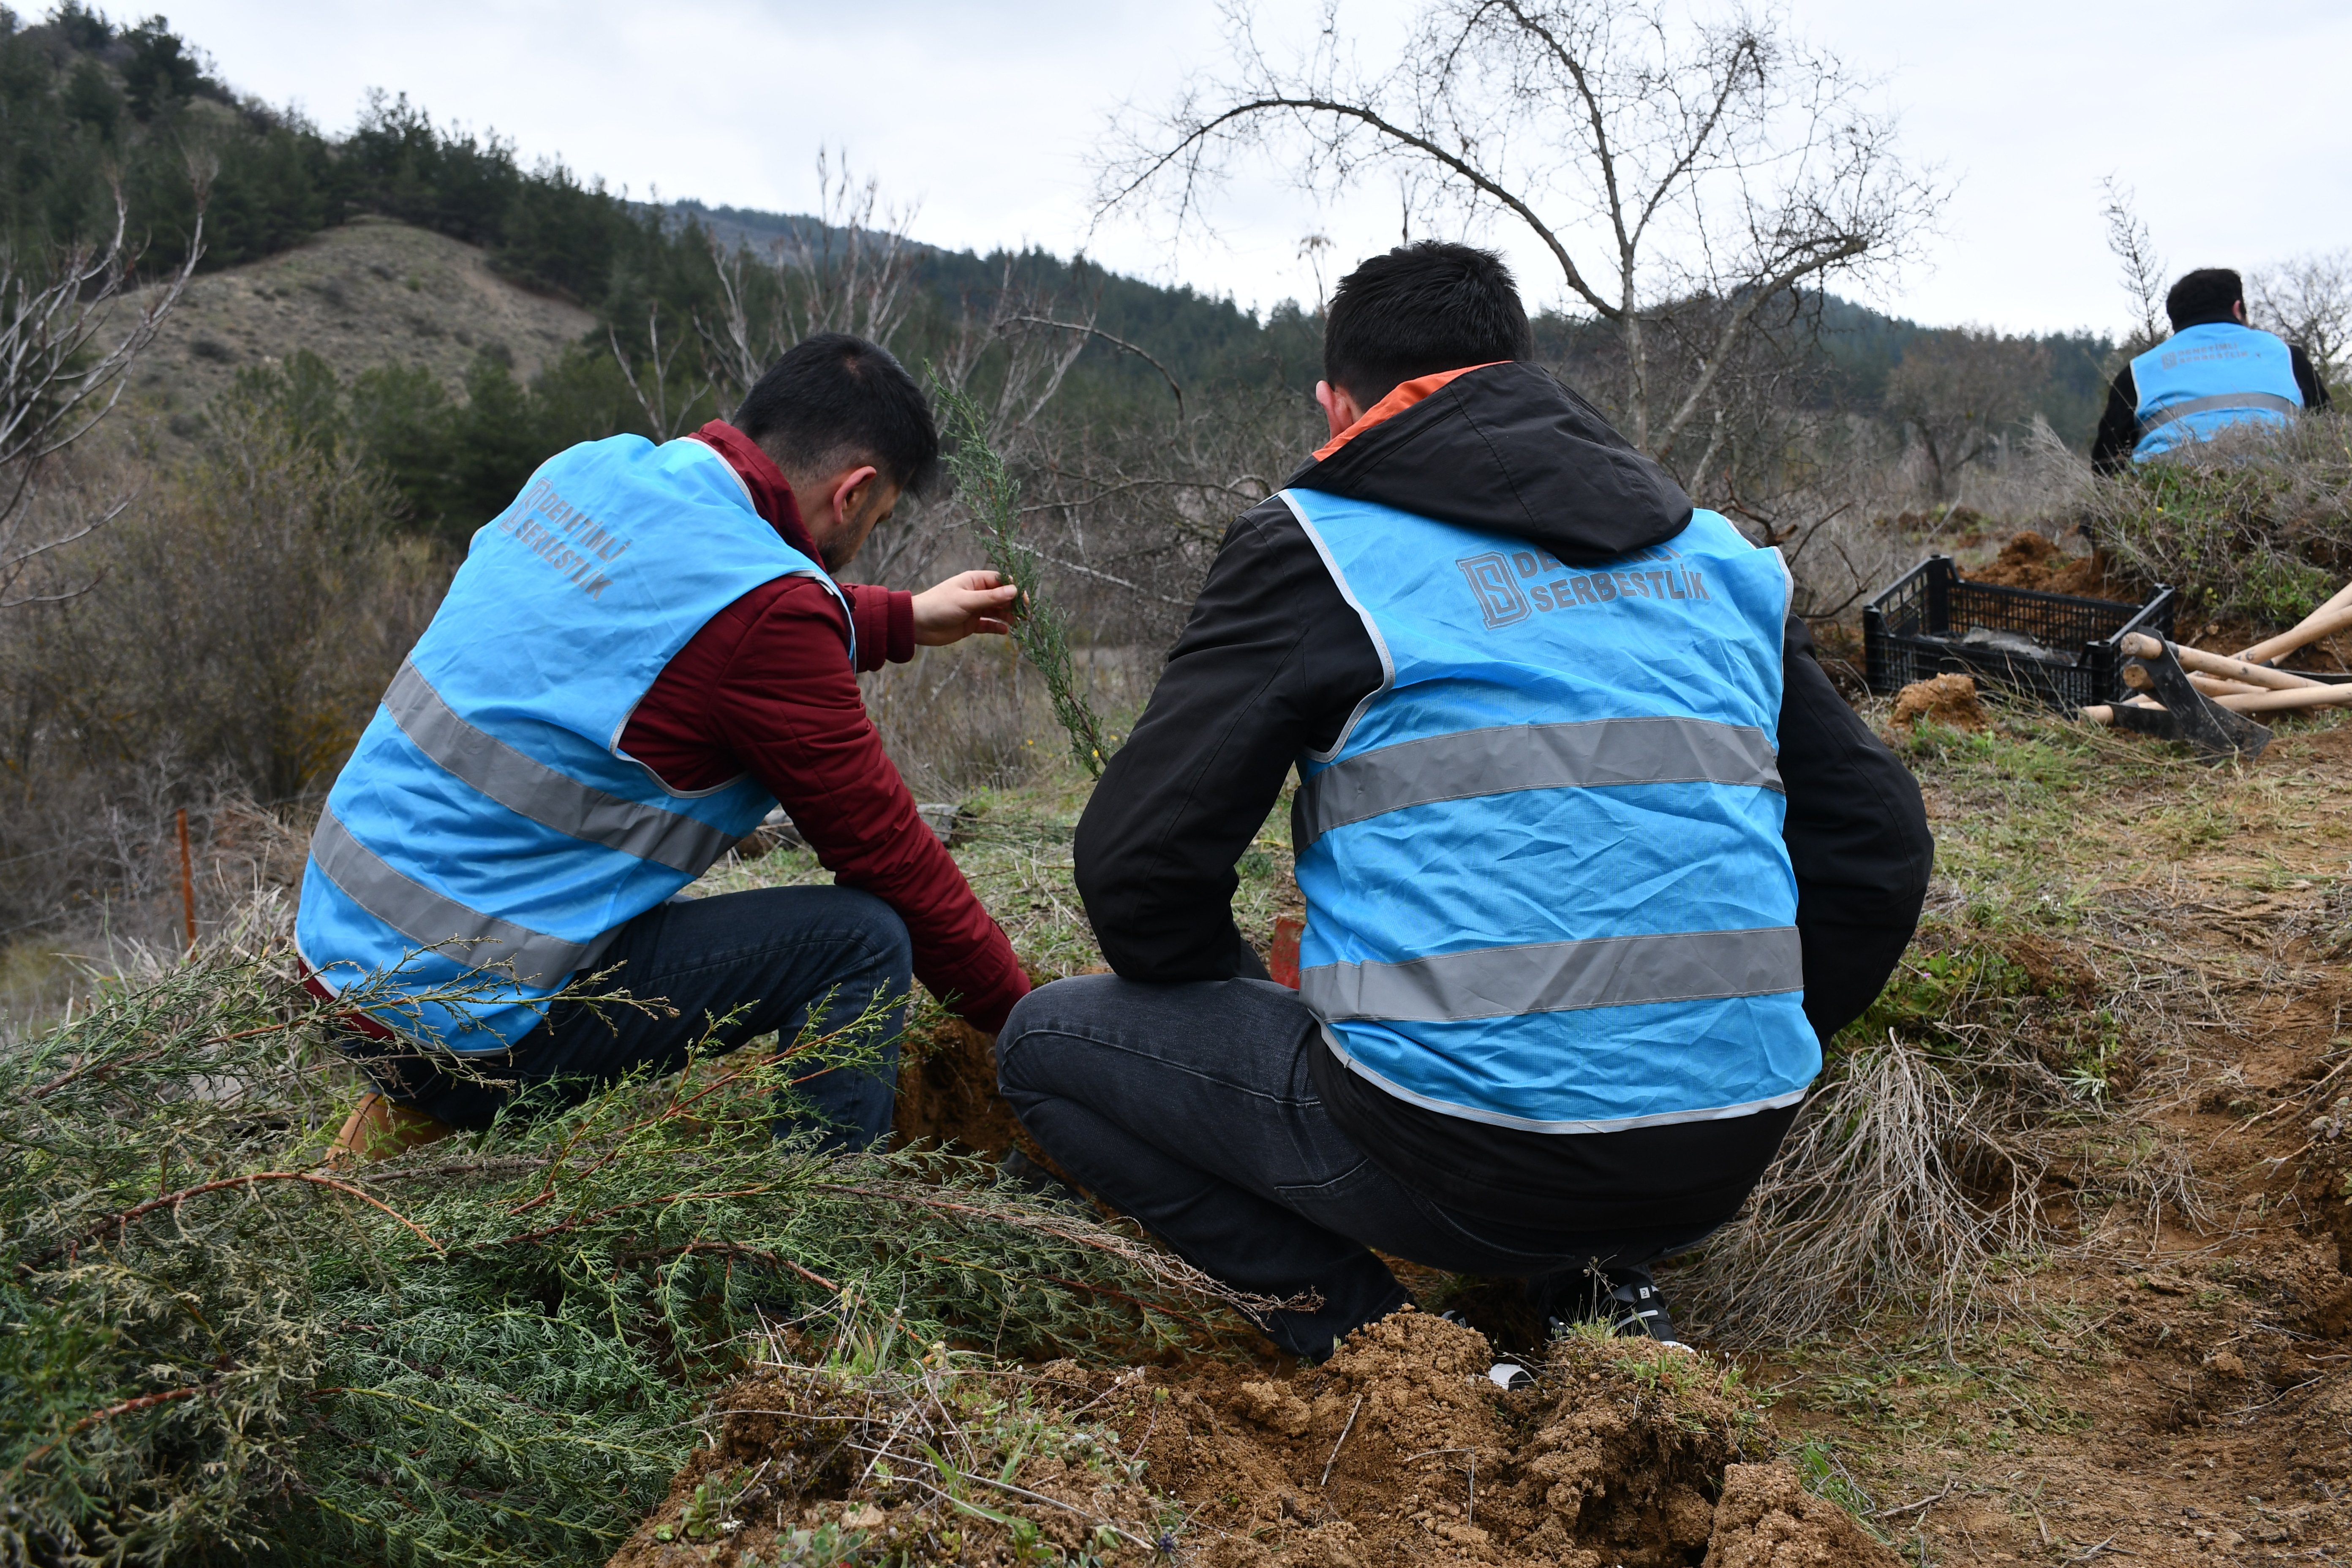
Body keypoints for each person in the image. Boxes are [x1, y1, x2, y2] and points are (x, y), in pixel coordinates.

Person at [995, 243, 1933, 1358]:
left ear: (1338, 408)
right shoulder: (1726, 560)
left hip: (1454, 1160)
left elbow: (1138, 871)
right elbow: (1878, 843)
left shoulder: (1321, 550)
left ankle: (1388, 1346)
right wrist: (1721, 1043)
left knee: (1043, 1044)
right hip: (1725, 1145)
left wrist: (1243, 1000)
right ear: (1524, 375)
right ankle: (1599, 1282)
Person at [300, 332, 1031, 1160]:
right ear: (854, 492)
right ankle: (817, 1219)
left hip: (341, 956)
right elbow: (890, 854)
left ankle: (384, 1139)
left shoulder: (590, 471)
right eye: (881, 515)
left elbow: (697, 624)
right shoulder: (770, 615)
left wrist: (900, 616)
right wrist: (1028, 1019)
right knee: (861, 941)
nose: (869, 531)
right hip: (458, 1027)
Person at [2091, 268, 2332, 474]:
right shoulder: (2287, 356)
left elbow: (2106, 465)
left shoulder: (2137, 372)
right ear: (2237, 309)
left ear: (2175, 321)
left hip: (2168, 500)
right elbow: (2328, 436)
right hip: (2280, 490)